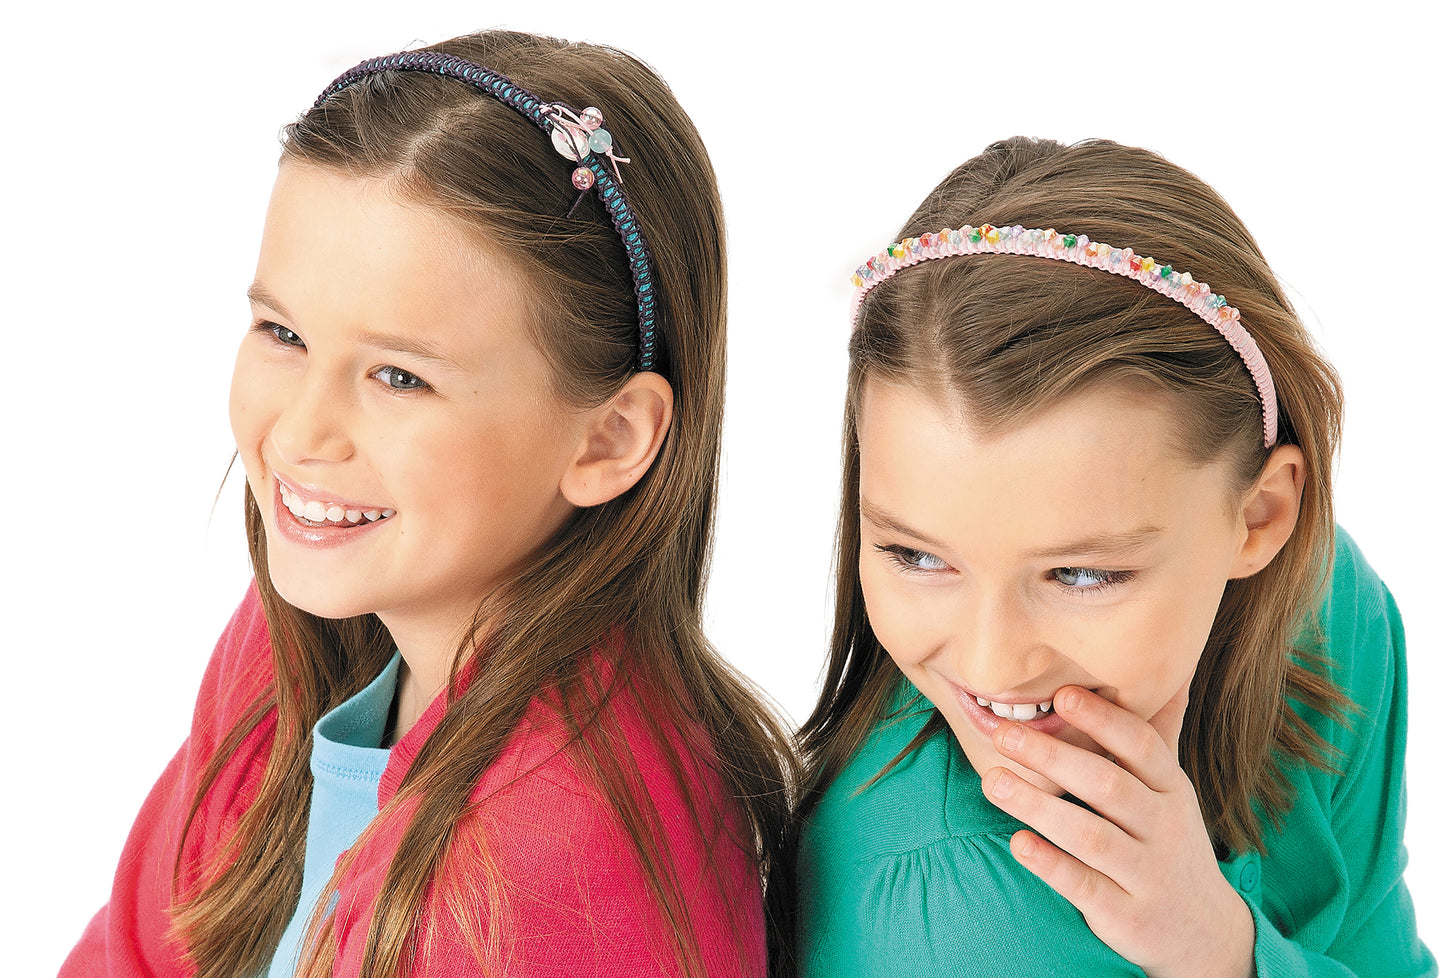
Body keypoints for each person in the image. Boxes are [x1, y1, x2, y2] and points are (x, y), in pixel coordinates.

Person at [62, 30, 793, 978]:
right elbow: (134, 950)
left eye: (399, 376)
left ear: (607, 440)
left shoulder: (552, 872)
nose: (301, 434)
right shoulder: (304, 639)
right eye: (283, 333)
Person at [794, 136, 1435, 977]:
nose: (991, 664)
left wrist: (1220, 949)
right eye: (916, 556)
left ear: (1259, 519)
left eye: (1082, 574)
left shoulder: (1324, 613)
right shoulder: (951, 923)